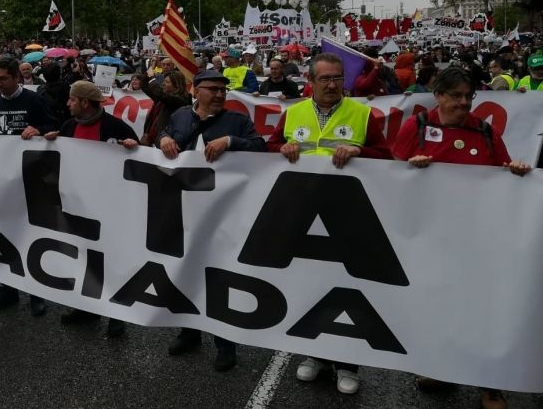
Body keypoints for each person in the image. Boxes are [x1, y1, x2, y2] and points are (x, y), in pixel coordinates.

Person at [393, 66, 530, 409]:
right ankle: (444, 369)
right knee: (441, 307)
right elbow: (390, 175)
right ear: (438, 96)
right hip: (433, 240)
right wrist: (411, 166)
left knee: (484, 311)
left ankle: (491, 385)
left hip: (480, 240)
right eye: (456, 96)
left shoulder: (484, 130)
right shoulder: (418, 126)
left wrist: (515, 172)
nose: (463, 102)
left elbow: (504, 172)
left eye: (469, 96)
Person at [266, 52, 392, 395]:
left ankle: (348, 363)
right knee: (308, 285)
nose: (333, 84)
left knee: (348, 288)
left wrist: (359, 152)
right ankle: (313, 354)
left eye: (338, 78)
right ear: (311, 81)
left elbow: (388, 157)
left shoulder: (363, 114)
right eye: (325, 79)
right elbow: (272, 146)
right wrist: (283, 147)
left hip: (348, 215)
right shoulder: (294, 113)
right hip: (302, 214)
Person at [157, 69, 266, 372]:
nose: (219, 95)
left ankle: (224, 343)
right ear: (195, 90)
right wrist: (164, 138)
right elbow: (161, 134)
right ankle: (189, 333)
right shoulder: (180, 116)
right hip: (182, 211)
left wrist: (230, 141)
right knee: (185, 272)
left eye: (223, 90)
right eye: (213, 89)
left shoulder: (238, 121)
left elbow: (260, 148)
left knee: (219, 279)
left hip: (221, 214)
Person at [44, 81, 139, 338]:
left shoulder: (115, 128)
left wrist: (133, 147)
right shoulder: (68, 127)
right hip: (78, 206)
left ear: (85, 102)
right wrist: (49, 141)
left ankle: (116, 315)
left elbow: (139, 164)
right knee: (83, 259)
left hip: (110, 209)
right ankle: (86, 308)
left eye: (72, 100)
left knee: (110, 262)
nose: (68, 104)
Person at [0, 57, 56, 316]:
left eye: (3, 78)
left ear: (17, 77)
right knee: (3, 234)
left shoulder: (33, 99)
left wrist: (38, 130)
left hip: (30, 177)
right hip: (4, 177)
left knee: (29, 235)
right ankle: (7, 290)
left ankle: (36, 293)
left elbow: (53, 126)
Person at [140, 70, 190, 147]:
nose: (163, 84)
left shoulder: (182, 100)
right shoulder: (162, 98)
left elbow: (159, 93)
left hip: (167, 144)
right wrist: (147, 73)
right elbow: (144, 86)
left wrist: (152, 78)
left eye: (167, 82)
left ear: (177, 85)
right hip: (151, 141)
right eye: (163, 81)